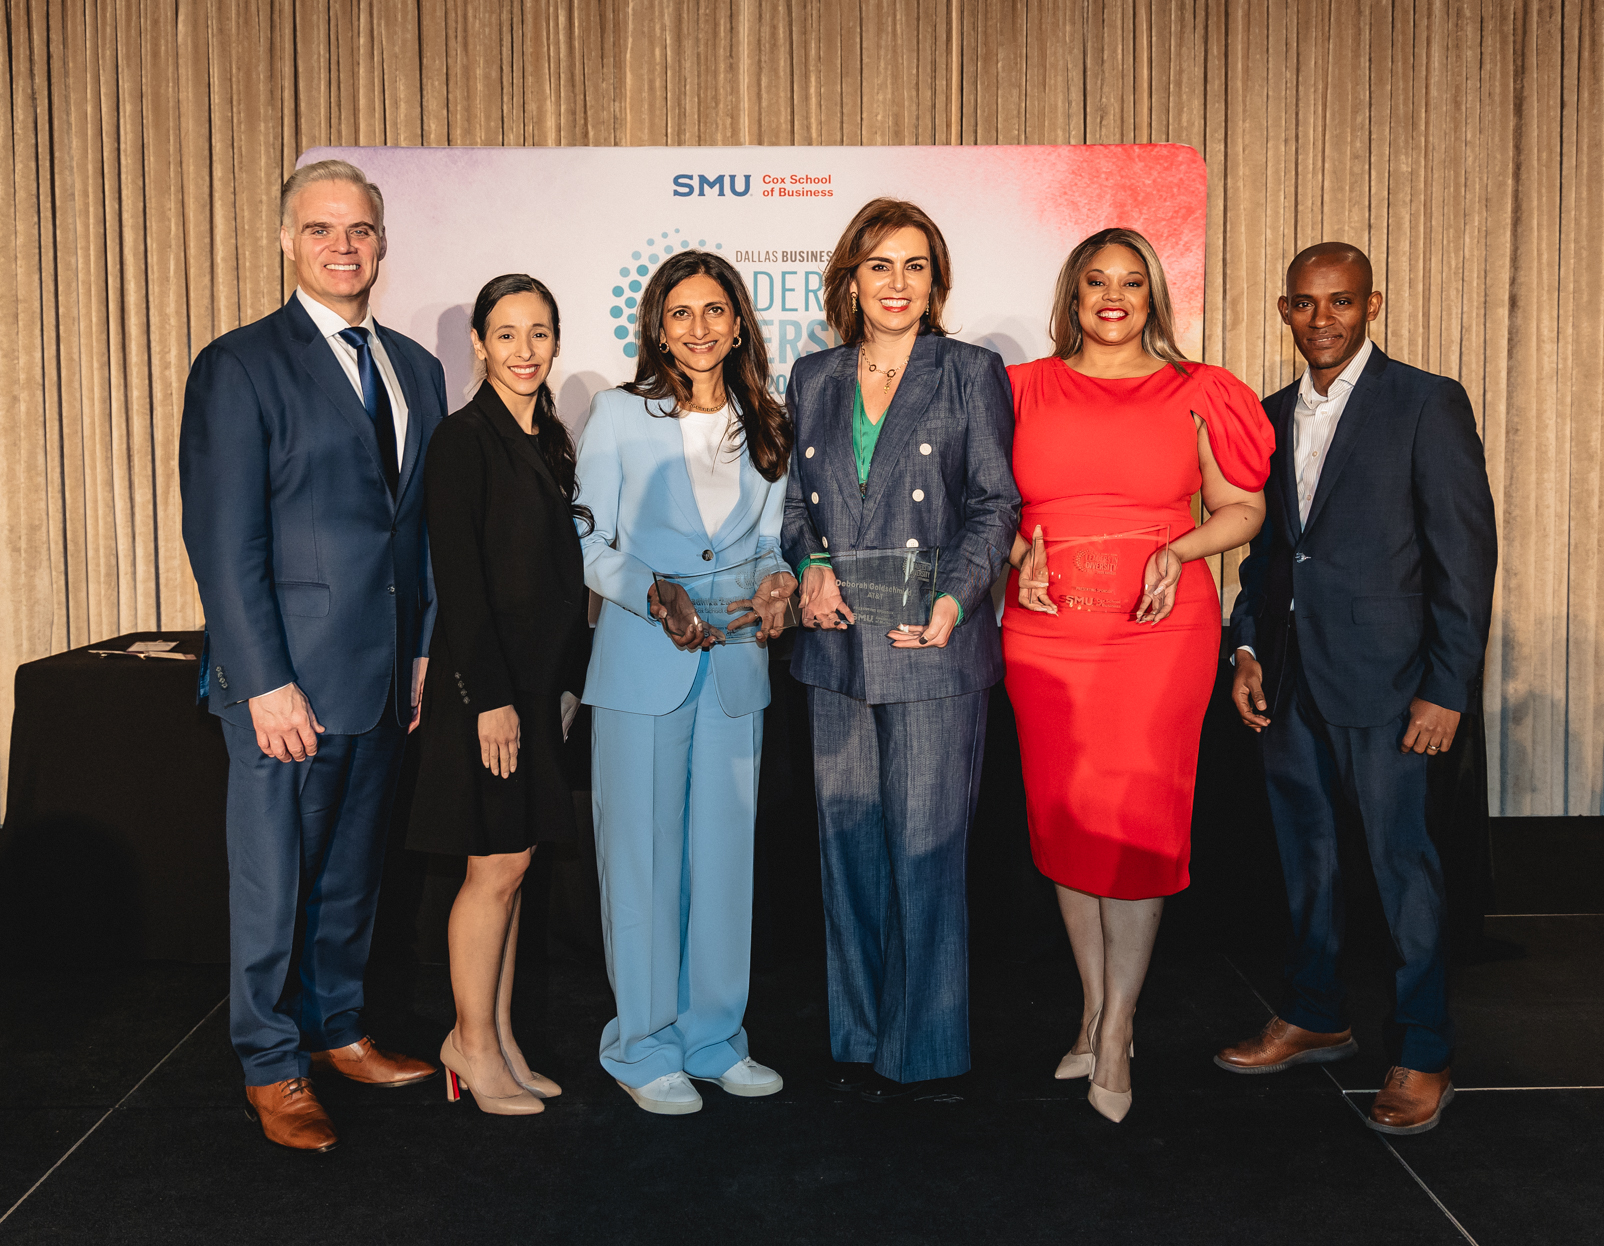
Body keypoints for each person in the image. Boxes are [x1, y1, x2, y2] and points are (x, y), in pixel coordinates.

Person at [178, 160, 446, 1152]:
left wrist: (419, 650)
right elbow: (222, 538)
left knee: (349, 874)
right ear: (287, 240)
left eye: (361, 229)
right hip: (283, 682)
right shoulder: (239, 364)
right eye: (322, 228)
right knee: (274, 877)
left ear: (381, 241)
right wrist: (263, 680)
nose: (344, 245)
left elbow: (411, 530)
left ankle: (336, 1028)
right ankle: (270, 1062)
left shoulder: (415, 368)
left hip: (380, 677)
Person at [1215, 242, 1496, 1136]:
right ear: (1284, 309)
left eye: (1340, 302)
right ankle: (1315, 1012)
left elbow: (1464, 558)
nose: (1321, 319)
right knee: (1308, 863)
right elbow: (1265, 553)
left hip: (1393, 685)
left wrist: (1447, 687)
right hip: (1290, 681)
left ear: (1373, 304)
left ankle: (1423, 1050)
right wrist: (1248, 647)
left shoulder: (1427, 402)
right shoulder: (1265, 416)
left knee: (1402, 871)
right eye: (1304, 303)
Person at [1004, 227, 1273, 1123]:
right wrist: (1015, 550)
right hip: (1045, 633)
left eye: (1130, 283)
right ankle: (1090, 1008)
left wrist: (1181, 545)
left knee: (1139, 823)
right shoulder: (1019, 390)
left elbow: (1244, 509)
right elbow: (982, 503)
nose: (1112, 298)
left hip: (1160, 632)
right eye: (1095, 282)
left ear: (1153, 296)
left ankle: (1119, 1028)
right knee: (1070, 818)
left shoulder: (1199, 392)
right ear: (1071, 295)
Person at [782, 198, 1020, 1103]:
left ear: (937, 282)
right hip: (837, 648)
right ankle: (860, 1034)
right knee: (847, 850)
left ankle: (923, 1049)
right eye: (879, 265)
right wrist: (808, 564)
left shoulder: (970, 372)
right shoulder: (813, 375)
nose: (896, 283)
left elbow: (997, 505)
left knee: (926, 851)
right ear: (850, 277)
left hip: (932, 644)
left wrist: (959, 601)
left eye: (915, 265)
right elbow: (800, 503)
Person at [575, 249, 795, 1115]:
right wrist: (653, 595)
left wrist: (778, 583)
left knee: (723, 864)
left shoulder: (766, 421)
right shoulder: (617, 415)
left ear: (739, 322)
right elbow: (592, 548)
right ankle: (643, 1047)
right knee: (642, 863)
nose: (698, 329)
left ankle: (714, 1038)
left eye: (714, 312)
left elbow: (771, 545)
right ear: (656, 326)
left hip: (737, 663)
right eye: (680, 314)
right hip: (642, 661)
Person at [405, 275, 589, 1115]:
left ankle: (501, 1039)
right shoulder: (462, 441)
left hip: (533, 687)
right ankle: (469, 1044)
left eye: (539, 333)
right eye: (506, 334)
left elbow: (557, 577)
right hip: (487, 693)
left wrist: (562, 683)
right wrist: (490, 699)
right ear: (478, 344)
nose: (524, 350)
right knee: (494, 867)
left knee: (515, 866)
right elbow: (463, 581)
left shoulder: (546, 434)